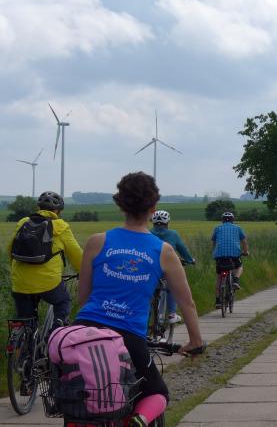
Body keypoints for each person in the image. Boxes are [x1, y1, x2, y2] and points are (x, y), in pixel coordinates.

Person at [75, 172, 204, 427]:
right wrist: (195, 342)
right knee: (158, 393)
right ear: (153, 208)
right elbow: (187, 302)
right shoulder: (163, 251)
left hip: (84, 331)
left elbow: (83, 298)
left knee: (80, 394)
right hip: (129, 338)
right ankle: (138, 421)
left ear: (120, 204)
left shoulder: (96, 242)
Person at [7, 191, 83, 326]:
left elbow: (10, 248)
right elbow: (76, 255)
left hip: (20, 282)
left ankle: (23, 336)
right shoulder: (61, 227)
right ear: (57, 211)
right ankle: (56, 334)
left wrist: (15, 271)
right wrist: (83, 272)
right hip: (49, 283)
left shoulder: (23, 222)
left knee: (25, 320)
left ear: (39, 207)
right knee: (63, 301)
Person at [150, 210, 196, 324]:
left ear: (153, 222)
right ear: (167, 222)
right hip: (167, 268)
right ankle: (171, 314)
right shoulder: (173, 234)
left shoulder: (148, 233)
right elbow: (182, 249)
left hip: (150, 269)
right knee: (172, 287)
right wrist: (190, 260)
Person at [212, 211, 249, 308]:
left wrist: (214, 252)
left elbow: (214, 241)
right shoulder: (238, 228)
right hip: (234, 255)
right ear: (233, 220)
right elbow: (244, 241)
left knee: (219, 277)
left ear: (222, 220)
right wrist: (245, 252)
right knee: (239, 266)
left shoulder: (217, 228)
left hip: (219, 256)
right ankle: (236, 280)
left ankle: (218, 301)